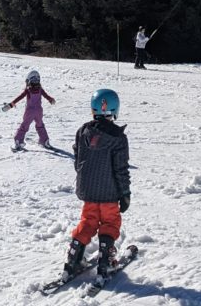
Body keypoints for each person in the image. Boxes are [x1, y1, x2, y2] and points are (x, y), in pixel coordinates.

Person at [62, 89, 131, 283]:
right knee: (110, 223)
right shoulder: (118, 137)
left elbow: (78, 160)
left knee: (88, 221)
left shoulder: (83, 130)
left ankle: (74, 259)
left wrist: (87, 180)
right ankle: (106, 261)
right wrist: (125, 193)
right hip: (109, 193)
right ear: (115, 110)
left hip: (88, 191)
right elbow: (121, 169)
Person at [5, 70, 56, 150]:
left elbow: (19, 97)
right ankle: (45, 140)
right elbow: (47, 96)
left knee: (24, 126)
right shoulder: (40, 89)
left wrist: (11, 104)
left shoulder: (28, 90)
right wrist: (51, 100)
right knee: (40, 125)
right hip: (39, 111)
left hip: (29, 112)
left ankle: (18, 141)